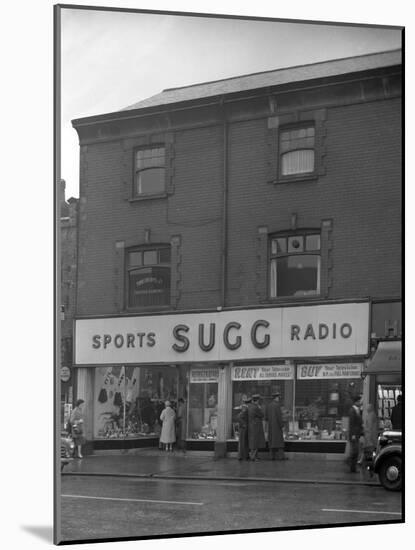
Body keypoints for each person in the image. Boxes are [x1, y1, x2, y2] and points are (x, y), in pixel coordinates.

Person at [265, 391, 287, 460]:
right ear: (276, 398)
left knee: (271, 442)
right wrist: (282, 425)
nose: (279, 399)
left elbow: (266, 417)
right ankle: (281, 456)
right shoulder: (277, 405)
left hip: (271, 427)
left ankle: (272, 456)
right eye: (278, 397)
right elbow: (279, 417)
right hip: (277, 426)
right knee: (279, 442)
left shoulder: (268, 405)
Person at [247, 394, 266, 461]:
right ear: (257, 400)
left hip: (251, 426)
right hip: (256, 426)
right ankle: (253, 457)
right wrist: (260, 408)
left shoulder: (250, 406)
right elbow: (262, 415)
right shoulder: (256, 407)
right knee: (255, 442)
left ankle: (255, 456)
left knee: (254, 441)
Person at [348, 394, 363, 472]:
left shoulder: (357, 410)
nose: (360, 402)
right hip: (354, 435)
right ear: (356, 402)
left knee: (356, 451)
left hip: (357, 434)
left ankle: (353, 468)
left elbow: (359, 422)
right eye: (359, 401)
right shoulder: (352, 410)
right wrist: (353, 434)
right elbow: (352, 423)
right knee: (355, 451)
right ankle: (352, 468)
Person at [237, 396, 250, 461]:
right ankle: (241, 456)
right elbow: (239, 417)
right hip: (243, 428)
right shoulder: (245, 408)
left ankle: (244, 455)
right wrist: (244, 424)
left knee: (244, 442)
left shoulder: (245, 408)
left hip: (244, 428)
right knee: (242, 442)